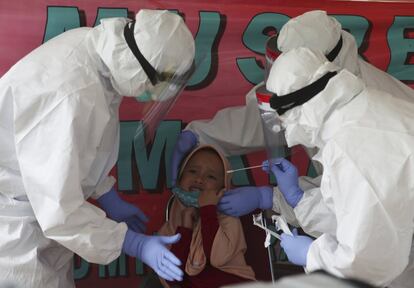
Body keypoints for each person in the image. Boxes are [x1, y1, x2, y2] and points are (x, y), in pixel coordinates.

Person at [0, 9, 195, 287]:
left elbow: (79, 147)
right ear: (143, 71)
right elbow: (59, 212)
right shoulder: (71, 96)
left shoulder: (99, 55)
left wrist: (105, 193)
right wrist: (132, 243)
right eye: (155, 88)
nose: (150, 96)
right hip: (13, 230)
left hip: (35, 209)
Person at [171, 9, 414, 218]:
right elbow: (269, 118)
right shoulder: (323, 93)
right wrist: (200, 135)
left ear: (320, 69)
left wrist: (277, 199)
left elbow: (352, 211)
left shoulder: (364, 125)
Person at [263, 46, 414, 287]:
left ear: (295, 112)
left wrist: (313, 256)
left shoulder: (352, 146)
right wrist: (299, 199)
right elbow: (361, 214)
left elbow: (368, 262)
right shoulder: (364, 109)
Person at [158, 145, 256, 288]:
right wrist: (185, 229)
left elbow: (218, 258)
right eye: (192, 171)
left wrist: (208, 210)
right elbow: (171, 279)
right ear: (180, 178)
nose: (199, 179)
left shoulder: (228, 218)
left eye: (211, 176)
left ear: (223, 188)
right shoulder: (170, 228)